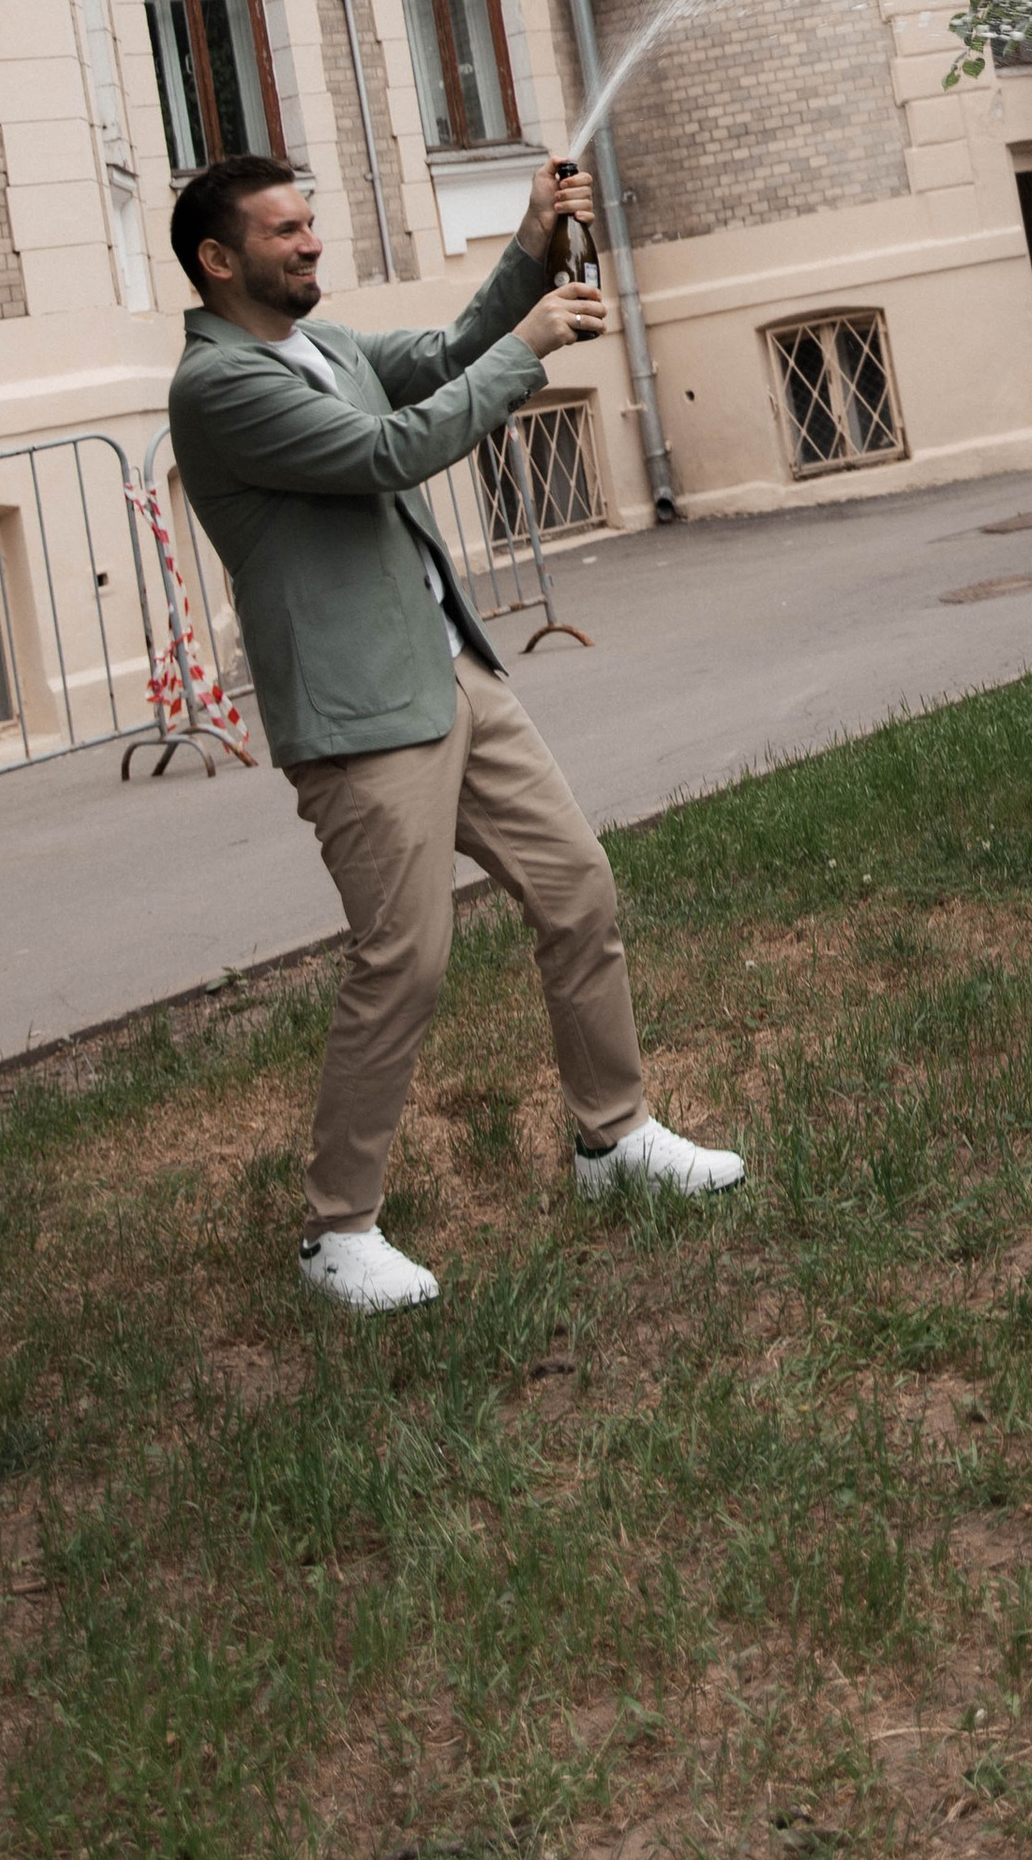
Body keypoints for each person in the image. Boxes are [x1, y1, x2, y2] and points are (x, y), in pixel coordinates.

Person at [166, 148, 743, 1313]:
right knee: (405, 962)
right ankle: (340, 1234)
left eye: (309, 224)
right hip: (360, 716)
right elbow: (395, 448)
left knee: (577, 887)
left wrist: (531, 244)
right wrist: (531, 348)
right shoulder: (220, 388)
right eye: (284, 233)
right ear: (219, 260)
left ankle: (612, 1136)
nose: (311, 243)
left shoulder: (322, 346)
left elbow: (438, 359)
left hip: (455, 677)